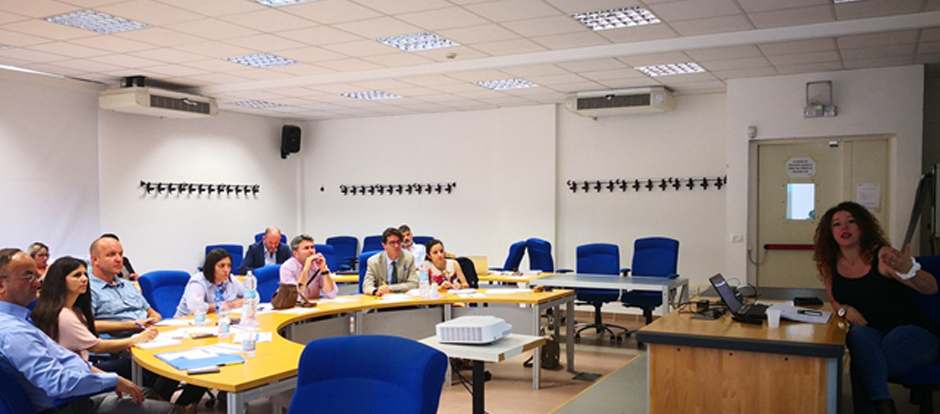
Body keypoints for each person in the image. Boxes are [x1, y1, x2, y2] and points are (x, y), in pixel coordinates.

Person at [0, 248, 176, 414]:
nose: (37, 282)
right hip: (68, 405)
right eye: (28, 276)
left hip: (75, 390)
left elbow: (63, 357)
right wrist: (112, 380)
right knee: (167, 408)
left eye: (36, 275)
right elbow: (58, 382)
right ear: (1, 285)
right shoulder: (15, 332)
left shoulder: (20, 320)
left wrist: (106, 377)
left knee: (146, 392)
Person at [813, 201, 939, 414]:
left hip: (914, 333)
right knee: (859, 335)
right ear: (830, 233)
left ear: (862, 226)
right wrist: (845, 310)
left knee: (863, 364)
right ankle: (883, 404)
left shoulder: (882, 256)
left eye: (851, 221)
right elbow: (834, 301)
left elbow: (931, 288)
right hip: (872, 335)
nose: (844, 228)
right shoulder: (829, 264)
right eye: (837, 224)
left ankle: (881, 405)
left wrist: (910, 271)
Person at [32, 257, 158, 378]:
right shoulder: (64, 315)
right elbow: (96, 347)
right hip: (75, 376)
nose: (84, 279)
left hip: (81, 367)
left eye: (84, 274)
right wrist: (134, 340)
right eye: (77, 275)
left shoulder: (74, 310)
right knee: (143, 369)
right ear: (60, 281)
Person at [88, 236, 162, 337]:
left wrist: (155, 319)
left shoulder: (128, 285)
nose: (119, 259)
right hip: (119, 343)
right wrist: (130, 325)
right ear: (95, 260)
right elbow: (86, 325)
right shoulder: (87, 288)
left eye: (121, 254)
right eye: (111, 255)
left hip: (148, 334)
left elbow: (152, 312)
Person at [363, 227, 419, 296]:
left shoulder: (409, 258)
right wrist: (376, 291)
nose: (396, 246)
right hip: (382, 300)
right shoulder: (374, 262)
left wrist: (391, 288)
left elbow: (414, 284)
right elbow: (367, 286)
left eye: (398, 242)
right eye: (392, 243)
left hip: (403, 300)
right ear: (384, 245)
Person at [279, 235, 337, 300]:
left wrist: (324, 270)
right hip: (294, 307)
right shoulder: (287, 268)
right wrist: (306, 269)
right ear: (295, 254)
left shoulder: (318, 265)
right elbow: (295, 296)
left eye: (312, 247)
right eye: (306, 248)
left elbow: (331, 294)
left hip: (313, 306)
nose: (311, 251)